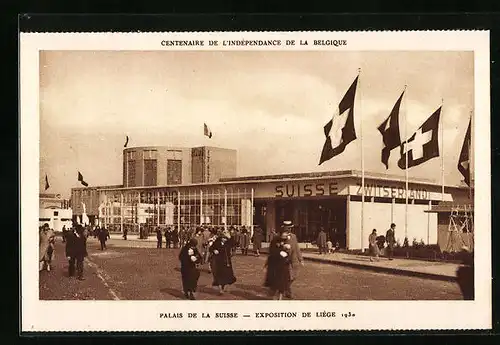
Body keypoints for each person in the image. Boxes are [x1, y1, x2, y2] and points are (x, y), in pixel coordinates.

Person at [264, 220, 303, 300]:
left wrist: (300, 259)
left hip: (293, 259)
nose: (288, 230)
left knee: (293, 276)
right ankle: (285, 292)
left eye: (290, 228)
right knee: (284, 277)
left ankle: (285, 289)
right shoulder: (277, 238)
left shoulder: (293, 236)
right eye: (287, 228)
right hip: (282, 262)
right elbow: (273, 250)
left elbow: (296, 248)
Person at [209, 229, 236, 294]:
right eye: (224, 238)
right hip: (218, 261)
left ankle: (222, 287)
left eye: (226, 238)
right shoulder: (217, 242)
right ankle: (220, 289)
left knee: (225, 276)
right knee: (219, 276)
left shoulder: (228, 242)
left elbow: (234, 243)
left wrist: (230, 236)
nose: (225, 239)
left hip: (226, 262)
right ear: (221, 237)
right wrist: (214, 250)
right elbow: (211, 248)